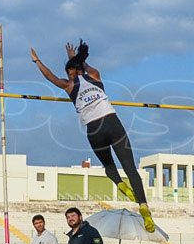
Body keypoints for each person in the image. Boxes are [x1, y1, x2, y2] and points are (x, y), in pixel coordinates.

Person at [31, 41, 154, 232]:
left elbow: (50, 77)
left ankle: (119, 184)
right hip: (113, 123)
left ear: (71, 72)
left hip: (94, 129)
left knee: (109, 166)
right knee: (130, 167)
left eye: (68, 72)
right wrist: (75, 59)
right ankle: (143, 205)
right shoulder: (95, 75)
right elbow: (84, 66)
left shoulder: (70, 85)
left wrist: (37, 61)